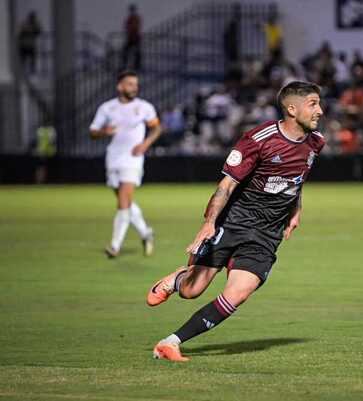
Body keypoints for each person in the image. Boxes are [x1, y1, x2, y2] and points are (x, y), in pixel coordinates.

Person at [146, 81, 325, 362]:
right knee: (193, 290)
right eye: (313, 104)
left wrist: (296, 210)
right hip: (233, 223)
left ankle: (170, 342)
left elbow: (298, 178)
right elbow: (226, 185)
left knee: (239, 293)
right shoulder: (258, 139)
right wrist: (209, 223)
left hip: (267, 234)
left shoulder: (316, 142)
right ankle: (178, 279)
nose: (320, 111)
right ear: (292, 108)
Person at [89, 70, 161, 258]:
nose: (134, 87)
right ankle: (146, 233)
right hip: (113, 158)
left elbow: (156, 128)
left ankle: (115, 246)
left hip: (133, 158)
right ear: (120, 86)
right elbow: (93, 132)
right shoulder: (107, 108)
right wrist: (105, 131)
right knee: (125, 202)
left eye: (135, 84)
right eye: (130, 84)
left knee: (123, 202)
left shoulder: (144, 107)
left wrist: (145, 144)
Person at [122, 4, 142, 70]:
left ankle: (137, 65)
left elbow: (134, 27)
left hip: (135, 37)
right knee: (127, 50)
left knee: (136, 51)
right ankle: (126, 64)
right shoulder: (131, 19)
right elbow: (127, 27)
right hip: (131, 37)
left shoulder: (135, 19)